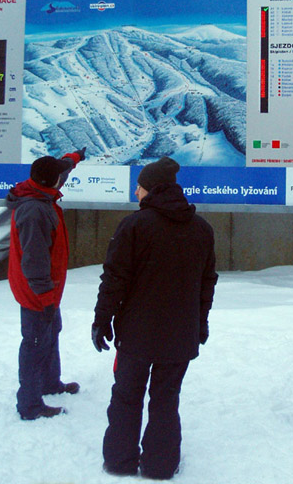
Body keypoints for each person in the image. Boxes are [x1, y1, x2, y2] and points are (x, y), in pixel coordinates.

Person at [92, 157, 217, 479]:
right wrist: (200, 323)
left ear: (151, 189)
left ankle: (119, 462)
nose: (136, 192)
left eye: (140, 186)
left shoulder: (134, 226)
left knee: (126, 396)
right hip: (180, 334)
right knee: (165, 399)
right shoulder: (201, 228)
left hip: (136, 334)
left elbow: (114, 279)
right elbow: (207, 282)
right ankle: (161, 466)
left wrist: (102, 320)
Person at [6, 148, 85, 420]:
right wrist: (46, 298)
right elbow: (34, 262)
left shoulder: (39, 191)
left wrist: (75, 157)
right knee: (36, 342)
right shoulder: (33, 211)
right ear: (51, 182)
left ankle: (51, 383)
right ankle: (29, 405)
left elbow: (61, 168)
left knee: (51, 333)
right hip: (37, 292)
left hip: (48, 289)